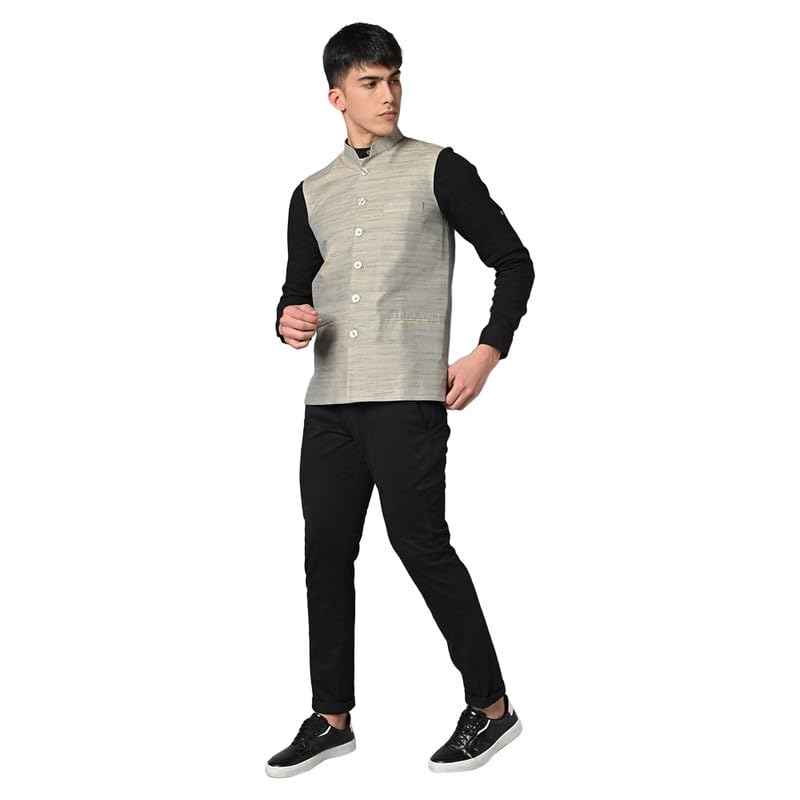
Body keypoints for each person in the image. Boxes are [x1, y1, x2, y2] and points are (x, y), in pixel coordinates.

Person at [265, 22, 534, 778]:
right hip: (329, 403)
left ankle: (492, 709)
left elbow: (514, 261)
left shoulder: (439, 168)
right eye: (370, 83)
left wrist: (487, 351)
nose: (388, 95)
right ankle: (331, 719)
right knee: (324, 556)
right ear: (337, 97)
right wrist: (287, 319)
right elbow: (294, 290)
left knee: (421, 547)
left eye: (394, 79)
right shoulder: (310, 192)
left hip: (406, 397)